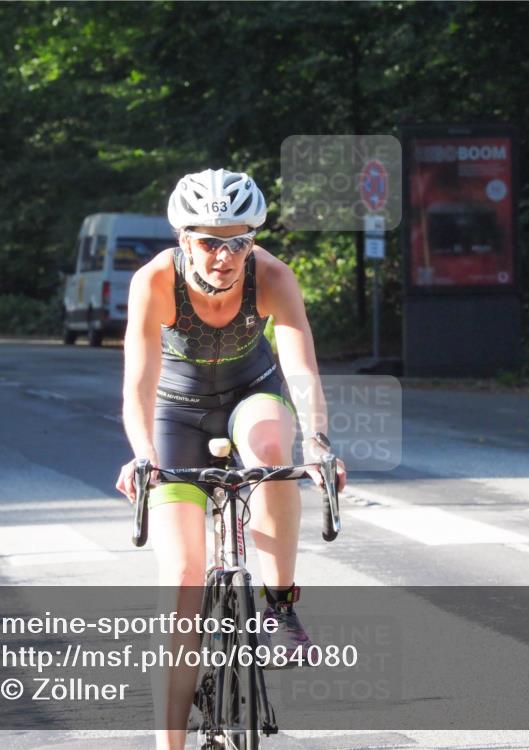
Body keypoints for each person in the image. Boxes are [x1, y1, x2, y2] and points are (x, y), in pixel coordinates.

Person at [114, 168, 346, 750]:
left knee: (271, 448)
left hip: (253, 392)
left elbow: (301, 369)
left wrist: (317, 442)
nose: (224, 255)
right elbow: (138, 384)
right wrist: (142, 456)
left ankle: (280, 603)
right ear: (183, 239)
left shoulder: (272, 276)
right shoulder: (154, 281)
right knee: (184, 582)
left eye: (238, 240)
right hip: (176, 413)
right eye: (210, 241)